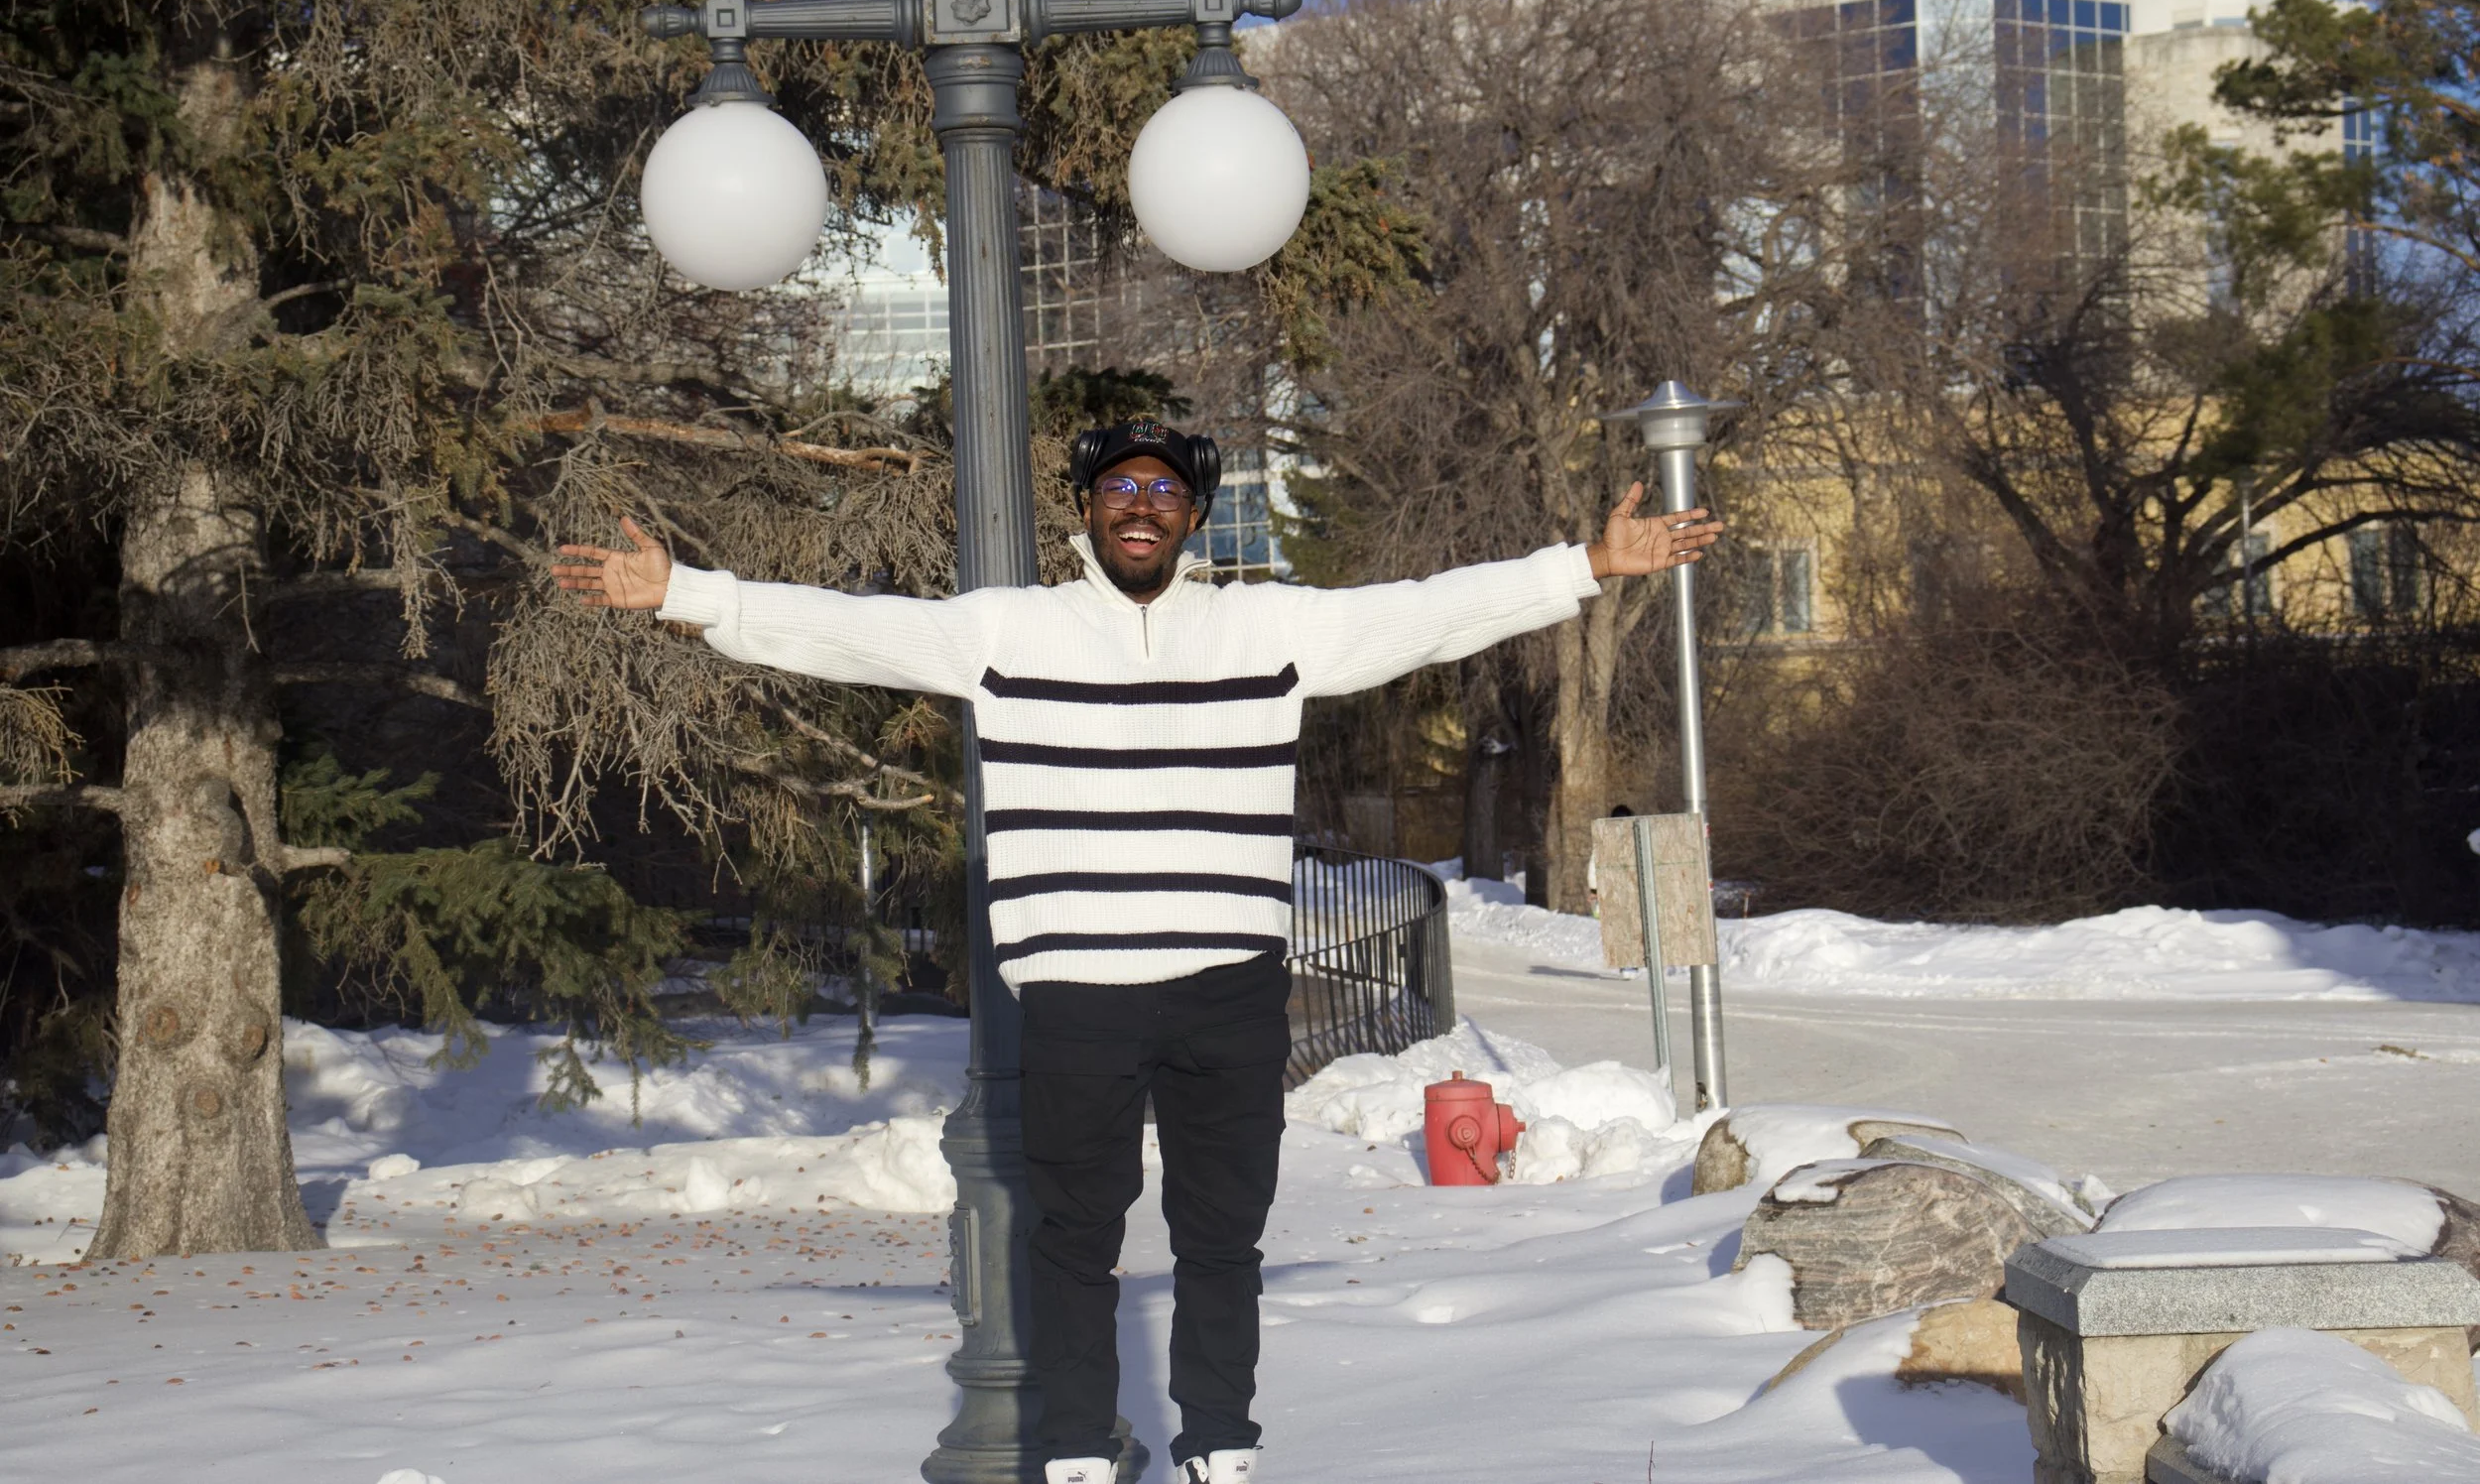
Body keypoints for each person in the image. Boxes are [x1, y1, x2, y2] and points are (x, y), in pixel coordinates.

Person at [552, 420, 1723, 1484]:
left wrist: (1588, 566)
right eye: (1120, 486)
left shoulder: (1267, 626)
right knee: (1074, 1238)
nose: (1142, 503)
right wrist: (682, 593)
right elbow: (853, 631)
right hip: (1077, 996)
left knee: (1223, 1237)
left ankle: (1220, 1445)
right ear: (1086, 512)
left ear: (1191, 515)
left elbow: (1419, 609)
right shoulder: (1008, 629)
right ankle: (1073, 1452)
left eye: (1165, 487)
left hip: (1226, 993)